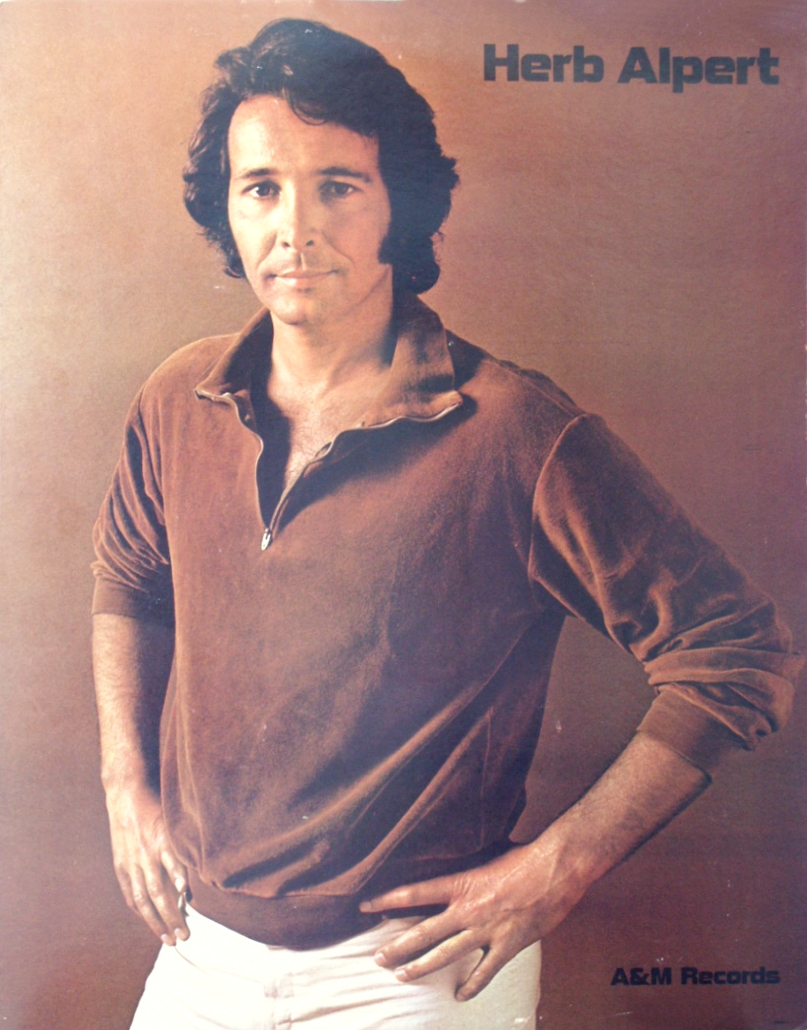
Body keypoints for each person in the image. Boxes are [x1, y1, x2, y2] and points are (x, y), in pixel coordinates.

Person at [91, 18, 801, 1030]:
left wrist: (558, 868)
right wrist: (126, 785)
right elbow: (129, 578)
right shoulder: (178, 398)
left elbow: (738, 651)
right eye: (262, 188)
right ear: (227, 209)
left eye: (340, 186)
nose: (296, 229)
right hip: (200, 952)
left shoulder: (515, 430)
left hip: (414, 976)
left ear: (403, 203)